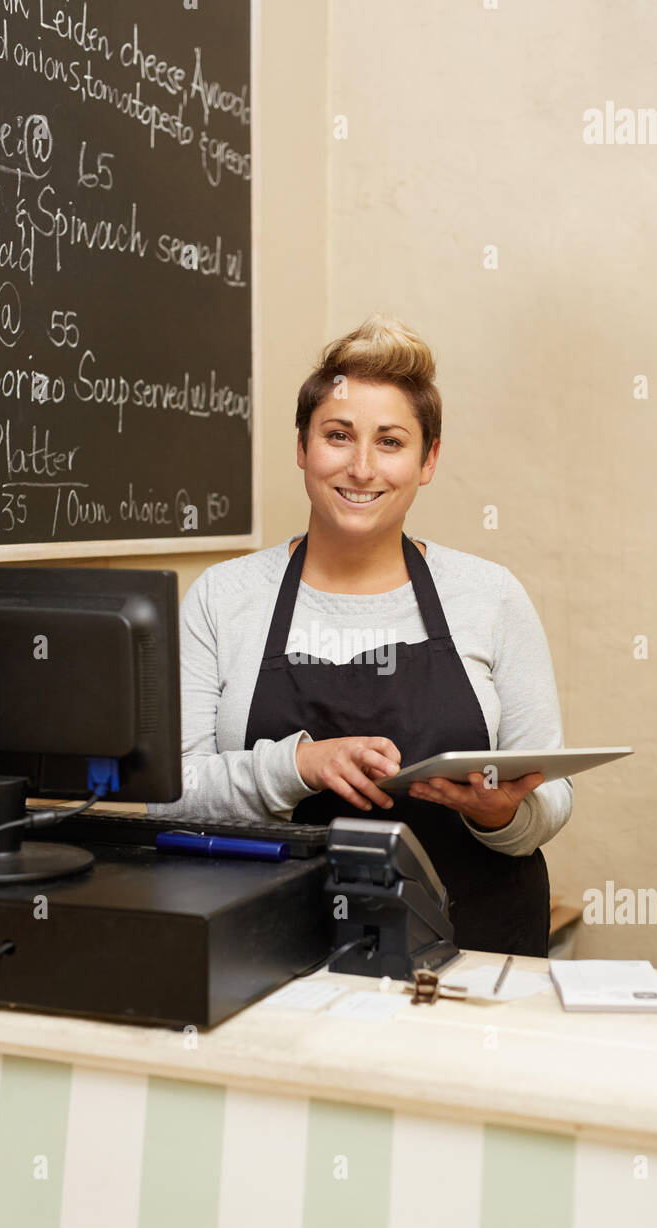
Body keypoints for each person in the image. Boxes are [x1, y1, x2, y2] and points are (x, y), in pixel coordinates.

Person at [150, 314, 572, 954]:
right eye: (339, 436)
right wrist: (297, 765)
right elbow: (168, 797)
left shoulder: (489, 595)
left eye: (392, 442)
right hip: (266, 951)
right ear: (302, 447)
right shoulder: (223, 596)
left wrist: (503, 816)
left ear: (428, 460)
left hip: (470, 952)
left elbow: (552, 795)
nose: (362, 466)